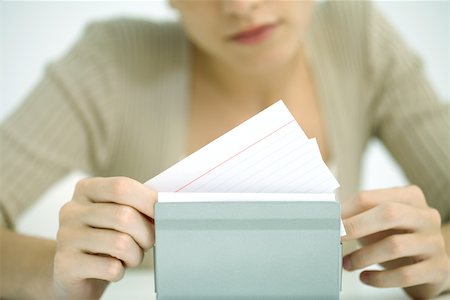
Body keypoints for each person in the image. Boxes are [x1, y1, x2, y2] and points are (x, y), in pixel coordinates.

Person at [1, 0, 449, 299]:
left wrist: (439, 261)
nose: (240, 5)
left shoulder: (359, 38)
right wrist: (55, 279)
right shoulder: (110, 61)